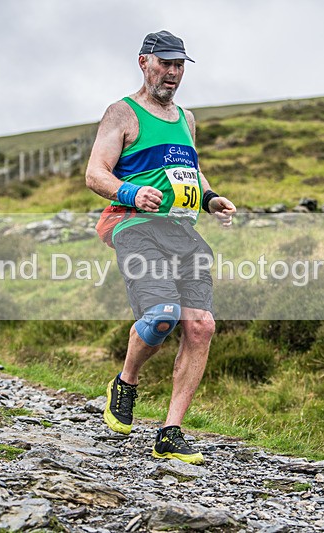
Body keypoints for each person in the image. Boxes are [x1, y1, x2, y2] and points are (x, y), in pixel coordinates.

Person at [85, 30, 236, 464]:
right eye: (164, 63)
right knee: (163, 315)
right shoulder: (122, 113)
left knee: (201, 326)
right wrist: (131, 193)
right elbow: (96, 173)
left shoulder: (186, 119)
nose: (172, 73)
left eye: (179, 65)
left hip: (182, 231)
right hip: (135, 226)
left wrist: (210, 199)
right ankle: (126, 382)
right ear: (143, 62)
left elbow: (192, 172)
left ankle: (170, 433)